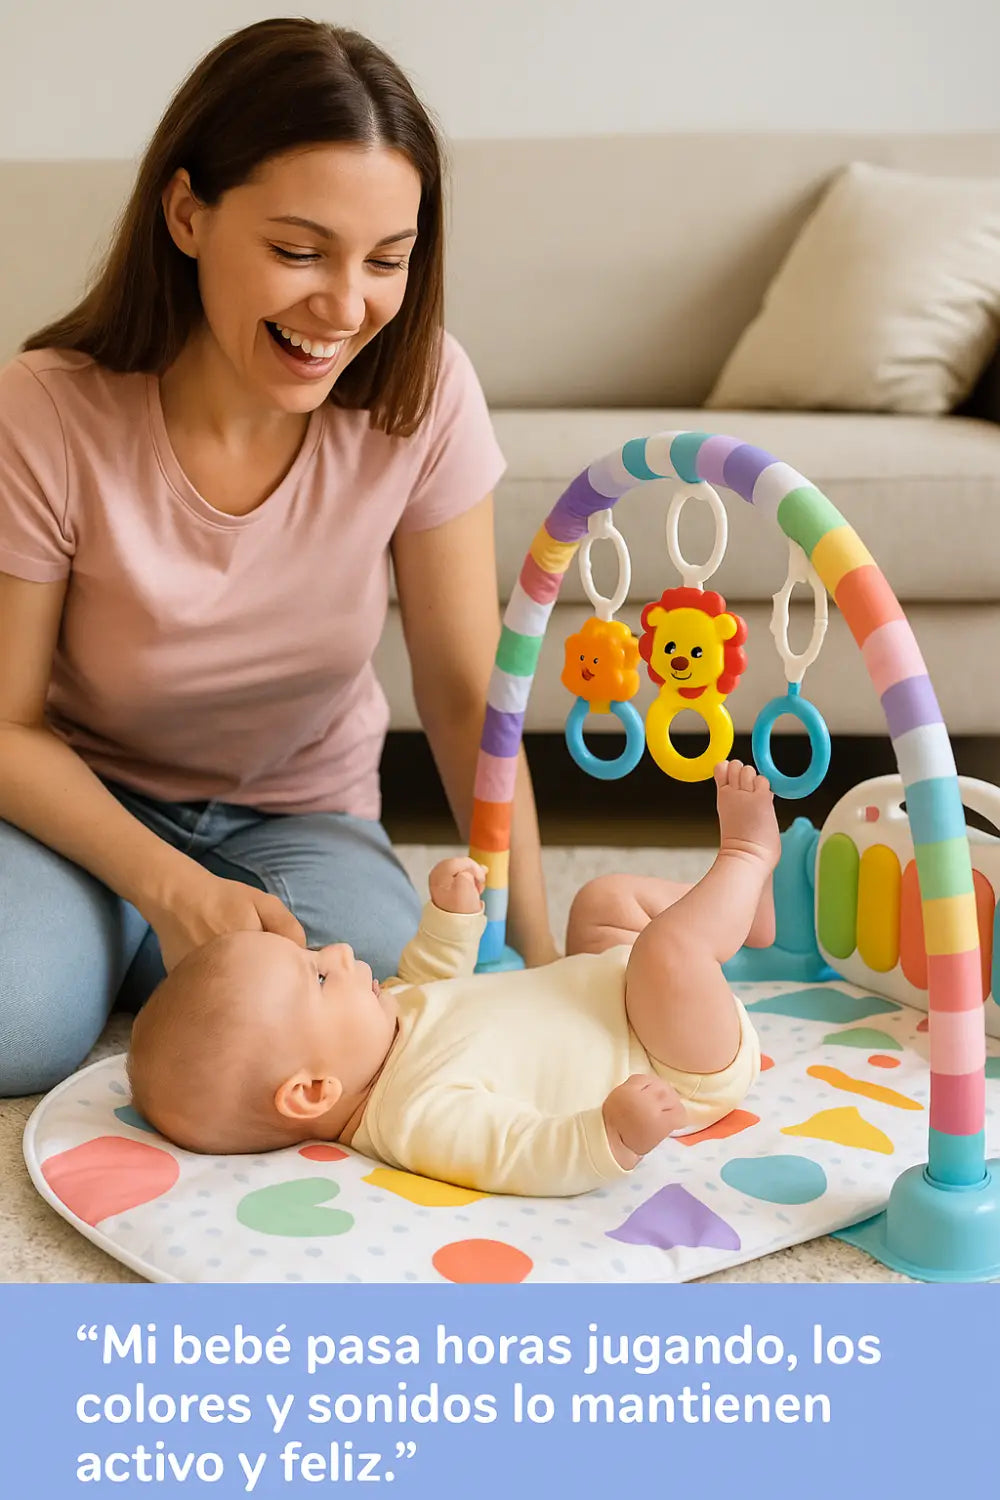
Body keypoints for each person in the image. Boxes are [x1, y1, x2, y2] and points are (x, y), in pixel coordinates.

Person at [0, 19, 556, 1098]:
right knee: (15, 1026)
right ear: (188, 214)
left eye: (385, 261)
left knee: (391, 1006)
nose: (343, 308)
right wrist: (165, 884)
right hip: (77, 806)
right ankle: (120, 938)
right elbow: (7, 725)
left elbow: (463, 696)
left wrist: (537, 949)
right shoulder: (43, 411)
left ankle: (158, 957)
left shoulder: (425, 393)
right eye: (299, 252)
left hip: (297, 816)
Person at [127, 762, 778, 1195]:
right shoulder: (419, 1117)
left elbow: (433, 979)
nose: (345, 952)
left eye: (318, 954)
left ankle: (740, 910)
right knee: (669, 951)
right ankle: (748, 860)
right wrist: (610, 1132)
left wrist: (449, 920)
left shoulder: (385, 1025)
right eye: (321, 977)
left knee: (603, 902)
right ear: (313, 1090)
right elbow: (520, 1152)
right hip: (673, 1055)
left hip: (612, 988)